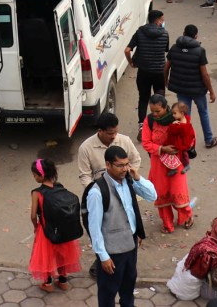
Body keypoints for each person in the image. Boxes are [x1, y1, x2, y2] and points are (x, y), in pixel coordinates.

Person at [86, 146, 157, 307]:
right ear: (108, 165)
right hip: (112, 252)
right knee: (107, 293)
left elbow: (152, 195)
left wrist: (137, 176)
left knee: (128, 288)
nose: (125, 169)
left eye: (127, 164)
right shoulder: (97, 192)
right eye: (120, 165)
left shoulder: (129, 180)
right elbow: (94, 228)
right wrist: (103, 257)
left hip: (130, 246)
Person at [140, 96, 194, 234]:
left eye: (158, 111)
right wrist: (163, 149)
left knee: (178, 191)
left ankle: (187, 215)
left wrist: (180, 147)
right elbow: (146, 142)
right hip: (158, 164)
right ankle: (167, 224)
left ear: (165, 108)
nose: (155, 114)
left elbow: (190, 136)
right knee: (162, 194)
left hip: (176, 162)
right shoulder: (149, 121)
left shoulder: (178, 117)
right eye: (152, 111)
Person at [28, 159, 82, 292]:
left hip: (46, 230)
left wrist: (36, 226)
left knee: (46, 256)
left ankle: (48, 283)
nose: (34, 177)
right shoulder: (60, 187)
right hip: (63, 229)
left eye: (35, 175)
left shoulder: (37, 193)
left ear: (41, 175)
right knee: (62, 255)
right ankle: (63, 281)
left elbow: (33, 215)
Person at [165, 25, 217, 149]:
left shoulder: (174, 48)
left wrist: (166, 81)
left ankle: (185, 141)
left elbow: (166, 67)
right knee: (203, 113)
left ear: (183, 33)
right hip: (198, 90)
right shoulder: (200, 51)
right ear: (196, 36)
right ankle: (209, 140)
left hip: (181, 88)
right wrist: (211, 91)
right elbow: (204, 74)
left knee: (184, 116)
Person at [126, 9, 169, 135]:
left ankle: (141, 127)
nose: (163, 22)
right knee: (160, 99)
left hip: (144, 72)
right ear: (157, 20)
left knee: (143, 98)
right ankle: (160, 125)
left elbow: (127, 50)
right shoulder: (165, 34)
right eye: (162, 19)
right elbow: (165, 50)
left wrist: (131, 63)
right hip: (159, 72)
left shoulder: (140, 32)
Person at [76, 112, 142, 187]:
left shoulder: (125, 141)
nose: (114, 136)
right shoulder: (85, 148)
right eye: (110, 134)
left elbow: (136, 160)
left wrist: (127, 176)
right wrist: (94, 190)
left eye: (116, 132)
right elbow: (85, 176)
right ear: (100, 131)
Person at [159, 102, 195, 176]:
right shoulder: (185, 119)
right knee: (182, 155)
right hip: (184, 142)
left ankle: (174, 168)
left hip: (179, 143)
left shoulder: (180, 125)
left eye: (175, 113)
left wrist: (173, 124)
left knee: (172, 154)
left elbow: (172, 131)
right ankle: (184, 165)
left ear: (181, 113)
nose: (173, 115)